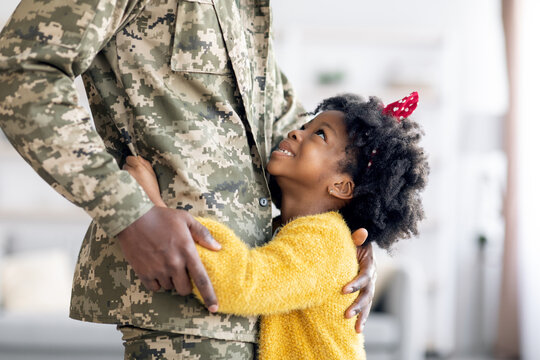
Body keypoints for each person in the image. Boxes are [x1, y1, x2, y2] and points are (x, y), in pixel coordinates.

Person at [0, 0, 376, 358]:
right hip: (183, 298)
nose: (300, 134)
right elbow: (22, 69)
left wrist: (350, 237)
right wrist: (132, 211)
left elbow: (281, 126)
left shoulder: (249, 8)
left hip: (258, 315)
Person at [124, 93, 429, 359]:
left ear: (341, 186)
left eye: (320, 135)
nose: (296, 132)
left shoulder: (324, 241)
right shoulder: (301, 232)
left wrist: (151, 209)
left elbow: (240, 283)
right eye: (305, 126)